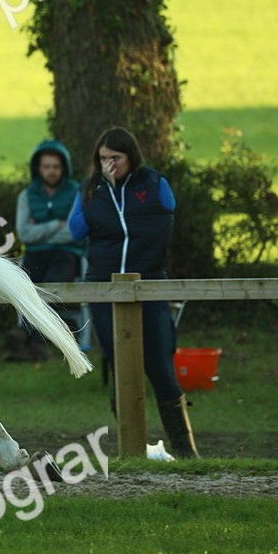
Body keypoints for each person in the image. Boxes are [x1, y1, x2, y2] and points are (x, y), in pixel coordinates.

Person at [68, 126, 198, 458]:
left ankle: (185, 451)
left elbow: (166, 218)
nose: (109, 164)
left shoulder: (153, 183)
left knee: (159, 365)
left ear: (131, 156)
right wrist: (106, 188)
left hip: (149, 283)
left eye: (116, 158)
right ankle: (135, 448)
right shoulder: (90, 189)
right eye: (103, 159)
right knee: (120, 366)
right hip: (104, 287)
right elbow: (76, 230)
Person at [7, 140, 86, 361]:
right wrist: (55, 225)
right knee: (28, 286)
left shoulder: (76, 192)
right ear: (38, 168)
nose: (51, 171)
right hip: (36, 253)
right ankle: (36, 345)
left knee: (49, 288)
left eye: (56, 167)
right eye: (46, 167)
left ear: (64, 168)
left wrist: (40, 228)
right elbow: (24, 233)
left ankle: (25, 334)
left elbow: (75, 232)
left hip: (67, 253)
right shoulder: (27, 195)